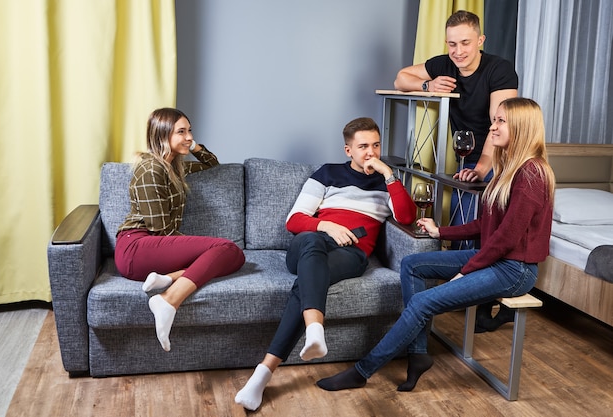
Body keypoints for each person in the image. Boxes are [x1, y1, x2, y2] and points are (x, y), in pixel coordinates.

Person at [316, 97, 555, 394]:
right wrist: (440, 231)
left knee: (422, 302)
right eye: (494, 120)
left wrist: (467, 270)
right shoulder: (508, 168)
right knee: (412, 265)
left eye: (500, 122)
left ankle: (362, 371)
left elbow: (506, 238)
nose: (492, 127)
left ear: (521, 127)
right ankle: (418, 354)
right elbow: (487, 226)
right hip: (496, 258)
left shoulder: (532, 174)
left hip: (514, 269)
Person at [234, 117, 417, 411]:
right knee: (310, 242)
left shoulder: (387, 183)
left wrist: (390, 176)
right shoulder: (327, 174)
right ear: (348, 150)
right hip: (311, 243)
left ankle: (262, 374)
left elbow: (407, 217)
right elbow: (294, 221)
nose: (371, 152)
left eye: (376, 145)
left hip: (351, 254)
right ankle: (314, 328)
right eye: (363, 146)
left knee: (305, 285)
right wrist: (327, 226)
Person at [114, 107, 245, 352]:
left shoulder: (173, 166)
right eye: (181, 132)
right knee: (226, 249)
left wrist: (192, 146)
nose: (189, 137)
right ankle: (167, 301)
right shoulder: (150, 169)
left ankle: (167, 278)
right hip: (136, 247)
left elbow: (212, 162)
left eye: (190, 131)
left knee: (234, 257)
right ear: (163, 135)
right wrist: (201, 249)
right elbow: (160, 229)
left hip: (151, 246)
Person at [394, 10, 518, 249]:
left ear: (480, 41)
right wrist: (428, 85)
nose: (458, 51)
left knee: (478, 233)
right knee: (459, 231)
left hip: (500, 159)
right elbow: (400, 79)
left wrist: (481, 169)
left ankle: (475, 278)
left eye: (465, 43)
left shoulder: (500, 70)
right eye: (452, 44)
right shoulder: (444, 64)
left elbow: (500, 126)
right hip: (466, 158)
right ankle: (459, 277)